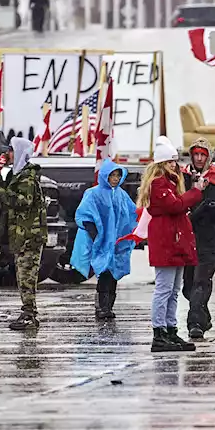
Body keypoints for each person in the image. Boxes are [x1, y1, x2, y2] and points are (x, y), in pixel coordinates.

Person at [141, 137, 201, 353]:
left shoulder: (170, 184)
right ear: (160, 164)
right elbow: (175, 206)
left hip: (174, 242)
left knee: (173, 289)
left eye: (174, 162)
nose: (174, 166)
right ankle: (159, 332)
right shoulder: (159, 184)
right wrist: (195, 192)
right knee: (164, 289)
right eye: (169, 162)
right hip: (167, 242)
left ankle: (170, 329)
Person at [71, 159, 139, 323]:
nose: (115, 179)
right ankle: (102, 307)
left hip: (116, 243)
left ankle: (108, 307)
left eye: (117, 175)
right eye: (112, 175)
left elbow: (132, 214)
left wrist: (131, 234)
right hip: (102, 241)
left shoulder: (121, 195)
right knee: (104, 273)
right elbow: (85, 216)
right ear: (105, 176)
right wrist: (96, 237)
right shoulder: (94, 193)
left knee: (113, 274)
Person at [0, 136, 47, 330]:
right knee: (22, 275)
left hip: (29, 235)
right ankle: (28, 312)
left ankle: (29, 315)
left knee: (26, 276)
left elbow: (23, 202)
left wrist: (1, 193)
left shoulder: (26, 177)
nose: (7, 154)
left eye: (10, 151)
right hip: (21, 234)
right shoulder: (17, 174)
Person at [183, 141, 215, 340]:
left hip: (209, 238)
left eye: (203, 155)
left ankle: (195, 323)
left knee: (201, 282)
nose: (199, 158)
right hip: (187, 238)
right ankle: (203, 314)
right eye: (196, 155)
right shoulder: (183, 177)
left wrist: (209, 208)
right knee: (187, 285)